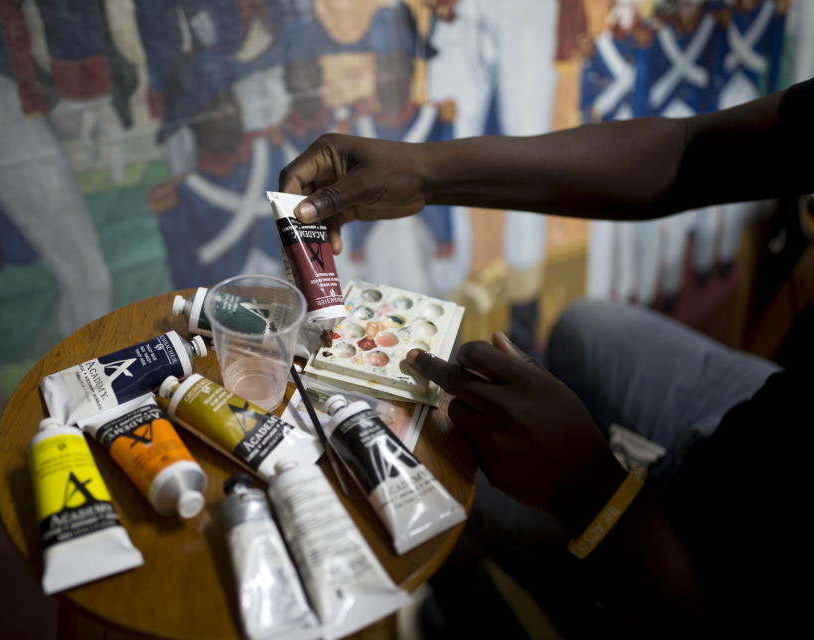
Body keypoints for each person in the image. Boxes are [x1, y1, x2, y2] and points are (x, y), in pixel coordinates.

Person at [279, 77, 813, 634]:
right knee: (584, 328)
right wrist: (427, 169)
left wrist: (590, 491)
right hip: (756, 428)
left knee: (431, 472)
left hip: (706, 575)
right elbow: (689, 152)